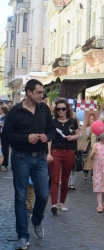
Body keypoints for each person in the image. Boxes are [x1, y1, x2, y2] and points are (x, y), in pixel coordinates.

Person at [2, 79, 56, 249]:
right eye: (39, 92)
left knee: (43, 195)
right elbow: (6, 136)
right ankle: (23, 236)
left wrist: (48, 136)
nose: (42, 95)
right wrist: (25, 138)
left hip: (40, 158)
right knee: (20, 197)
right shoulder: (15, 112)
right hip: (20, 158)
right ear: (29, 92)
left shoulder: (44, 109)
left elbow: (52, 129)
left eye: (42, 92)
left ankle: (36, 220)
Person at [47, 99, 79, 215]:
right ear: (56, 110)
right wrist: (48, 152)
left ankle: (62, 203)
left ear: (67, 109)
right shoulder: (52, 122)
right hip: (56, 151)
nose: (61, 111)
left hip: (69, 152)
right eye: (59, 109)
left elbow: (78, 134)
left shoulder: (73, 121)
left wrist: (73, 137)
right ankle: (54, 204)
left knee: (65, 179)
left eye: (63, 108)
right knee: (55, 179)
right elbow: (49, 138)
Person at [0, 106, 8, 172]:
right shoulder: (1, 117)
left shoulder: (7, 117)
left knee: (5, 150)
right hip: (1, 135)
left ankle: (5, 165)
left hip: (5, 136)